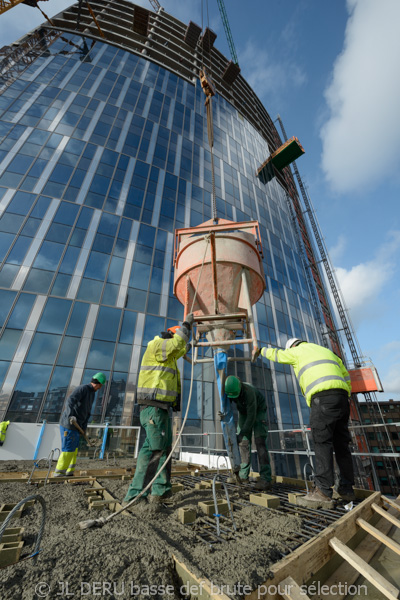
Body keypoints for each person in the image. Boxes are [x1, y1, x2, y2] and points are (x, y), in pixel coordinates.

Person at [259, 338, 354, 506]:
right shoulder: (326, 351)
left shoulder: (297, 351)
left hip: (322, 398)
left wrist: (260, 350)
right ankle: (346, 489)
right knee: (342, 445)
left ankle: (323, 492)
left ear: (292, 346)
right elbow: (346, 375)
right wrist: (345, 395)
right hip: (342, 398)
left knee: (322, 443)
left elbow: (277, 355)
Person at [123, 314, 193, 506]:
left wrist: (191, 342)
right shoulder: (156, 345)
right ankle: (137, 496)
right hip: (153, 407)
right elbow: (176, 345)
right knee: (156, 449)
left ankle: (161, 490)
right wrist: (186, 325)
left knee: (163, 449)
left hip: (161, 409)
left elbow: (179, 349)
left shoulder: (167, 356)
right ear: (169, 335)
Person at [54, 372, 106, 477]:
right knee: (68, 448)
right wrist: (69, 415)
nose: (100, 388)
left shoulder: (92, 393)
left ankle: (69, 471)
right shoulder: (83, 388)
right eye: (101, 385)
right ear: (98, 383)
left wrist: (83, 428)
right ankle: (59, 472)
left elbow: (87, 411)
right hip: (69, 424)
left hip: (77, 426)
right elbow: (70, 401)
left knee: (74, 449)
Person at [225, 375, 272, 490]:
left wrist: (243, 432)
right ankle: (243, 475)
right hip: (244, 412)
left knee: (260, 442)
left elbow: (252, 416)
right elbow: (226, 406)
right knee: (243, 443)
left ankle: (266, 478)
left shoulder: (249, 392)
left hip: (258, 411)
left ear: (240, 387)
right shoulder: (230, 391)